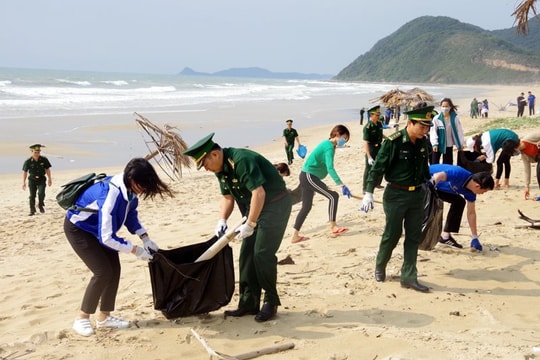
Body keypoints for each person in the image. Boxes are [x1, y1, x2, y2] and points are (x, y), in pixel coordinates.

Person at [183, 133, 292, 322]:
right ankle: (248, 303)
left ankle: (271, 302)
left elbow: (259, 192)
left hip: (275, 205)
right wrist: (222, 220)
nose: (206, 169)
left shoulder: (241, 161)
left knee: (262, 253)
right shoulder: (221, 169)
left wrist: (250, 224)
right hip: (254, 209)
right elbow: (227, 197)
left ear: (215, 155)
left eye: (205, 163)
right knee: (246, 256)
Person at [64, 158, 175, 337]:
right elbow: (107, 237)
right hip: (80, 229)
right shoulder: (110, 194)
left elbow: (131, 216)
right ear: (131, 179)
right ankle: (82, 318)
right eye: (142, 185)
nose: (144, 190)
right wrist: (136, 250)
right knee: (102, 272)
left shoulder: (131, 194)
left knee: (114, 270)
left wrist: (145, 238)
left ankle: (104, 317)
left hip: (99, 230)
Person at [361, 106, 435, 293]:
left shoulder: (422, 142)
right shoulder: (393, 142)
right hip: (396, 195)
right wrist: (368, 191)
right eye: (422, 126)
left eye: (428, 127)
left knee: (413, 237)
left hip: (417, 195)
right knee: (392, 234)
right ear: (410, 123)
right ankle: (380, 264)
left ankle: (409, 277)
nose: (425, 130)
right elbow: (378, 168)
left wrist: (429, 180)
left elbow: (424, 166)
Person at [291, 124, 352, 243]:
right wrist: (341, 185)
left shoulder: (329, 145)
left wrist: (323, 185)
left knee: (306, 207)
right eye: (344, 138)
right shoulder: (329, 147)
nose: (344, 142)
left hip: (309, 177)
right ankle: (333, 226)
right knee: (333, 196)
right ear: (337, 135)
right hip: (309, 176)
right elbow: (330, 168)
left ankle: (295, 236)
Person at [429, 164, 494, 251]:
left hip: (440, 189)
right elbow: (438, 176)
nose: (483, 193)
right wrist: (429, 191)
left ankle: (445, 236)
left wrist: (474, 237)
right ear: (477, 186)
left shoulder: (471, 193)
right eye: (484, 191)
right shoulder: (459, 173)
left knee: (459, 202)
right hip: (426, 180)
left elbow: (471, 213)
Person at [429, 97, 465, 165]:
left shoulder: (454, 119)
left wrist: (460, 145)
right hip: (438, 144)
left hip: (449, 144)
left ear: (450, 107)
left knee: (448, 163)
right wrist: (434, 144)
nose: (444, 108)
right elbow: (433, 132)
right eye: (443, 106)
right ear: (440, 107)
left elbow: (459, 131)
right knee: (434, 163)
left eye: (446, 106)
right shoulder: (437, 119)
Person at [22, 144, 52, 216]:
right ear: (32, 152)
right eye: (35, 152)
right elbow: (25, 172)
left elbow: (47, 169)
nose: (37, 154)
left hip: (41, 179)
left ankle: (40, 204)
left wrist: (49, 179)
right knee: (32, 195)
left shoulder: (44, 159)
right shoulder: (28, 161)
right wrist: (23, 182)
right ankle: (32, 211)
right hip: (32, 179)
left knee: (41, 193)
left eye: (38, 152)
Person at [362, 105, 385, 193]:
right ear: (371, 115)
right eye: (376, 115)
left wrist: (387, 138)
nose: (378, 116)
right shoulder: (368, 127)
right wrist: (369, 156)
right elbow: (366, 142)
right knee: (368, 169)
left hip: (379, 147)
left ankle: (377, 183)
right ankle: (364, 188)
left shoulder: (379, 124)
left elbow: (380, 134)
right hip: (371, 148)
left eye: (379, 114)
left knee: (381, 165)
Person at [513, 131, 540, 199]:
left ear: (515, 148)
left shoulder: (529, 138)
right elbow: (527, 170)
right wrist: (527, 187)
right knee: (539, 174)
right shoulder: (524, 154)